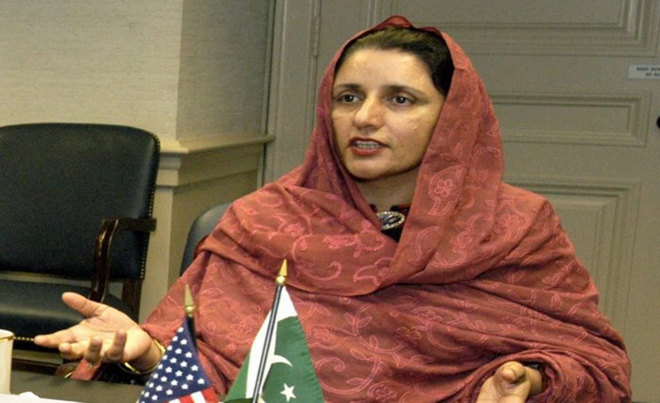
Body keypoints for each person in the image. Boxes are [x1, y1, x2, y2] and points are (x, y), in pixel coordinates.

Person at [35, 15, 631, 402]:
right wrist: (145, 351)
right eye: (348, 97)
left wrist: (531, 380)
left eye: (400, 99)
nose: (364, 118)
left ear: (453, 117)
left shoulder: (515, 228)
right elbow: (200, 364)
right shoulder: (263, 220)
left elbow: (592, 363)